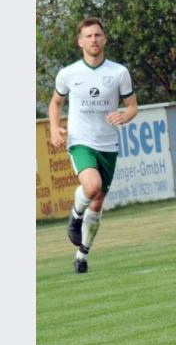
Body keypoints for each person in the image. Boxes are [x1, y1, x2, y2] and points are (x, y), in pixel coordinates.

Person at [49, 17, 138, 274]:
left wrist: (124, 116)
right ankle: (75, 216)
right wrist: (54, 128)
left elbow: (132, 106)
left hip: (108, 144)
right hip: (81, 141)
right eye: (88, 36)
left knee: (98, 202)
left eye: (98, 35)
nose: (94, 40)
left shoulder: (118, 73)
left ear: (105, 39)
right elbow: (56, 103)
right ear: (80, 42)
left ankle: (82, 255)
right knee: (92, 186)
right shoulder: (69, 73)